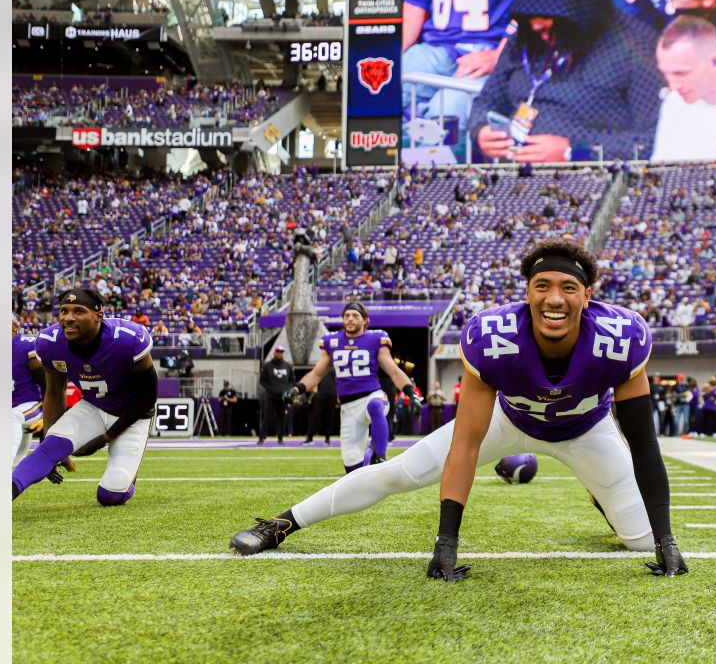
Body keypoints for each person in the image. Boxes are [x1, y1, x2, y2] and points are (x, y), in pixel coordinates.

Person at [229, 239, 687, 580]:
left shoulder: (619, 338)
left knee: (642, 541)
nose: (554, 298)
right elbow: (466, 445)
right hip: (507, 421)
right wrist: (446, 542)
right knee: (399, 472)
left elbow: (645, 444)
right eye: (542, 285)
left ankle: (602, 497)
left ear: (587, 297)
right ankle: (284, 522)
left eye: (569, 287)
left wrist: (668, 539)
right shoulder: (495, 337)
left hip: (586, 430)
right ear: (527, 293)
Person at [468, 0, 665, 162]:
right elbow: (487, 101)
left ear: (577, 16)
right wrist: (481, 130)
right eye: (530, 21)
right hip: (515, 173)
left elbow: (651, 138)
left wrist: (575, 151)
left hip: (590, 181)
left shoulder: (634, 46)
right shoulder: (525, 38)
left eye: (547, 22)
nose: (537, 27)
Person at [11, 288, 156, 506]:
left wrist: (105, 438)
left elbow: (147, 397)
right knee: (49, 449)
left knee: (110, 496)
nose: (68, 318)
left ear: (99, 315)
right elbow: (54, 391)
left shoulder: (127, 339)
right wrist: (49, 441)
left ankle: (127, 478)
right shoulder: (50, 343)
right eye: (63, 311)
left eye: (78, 311)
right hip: (94, 407)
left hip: (133, 415)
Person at [289, 302, 419, 472]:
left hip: (372, 395)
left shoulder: (375, 339)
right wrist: (296, 389)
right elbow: (316, 374)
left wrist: (411, 393)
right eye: (347, 316)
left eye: (355, 315)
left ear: (365, 320)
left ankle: (380, 456)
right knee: (353, 470)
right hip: (348, 407)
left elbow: (394, 371)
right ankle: (370, 453)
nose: (350, 319)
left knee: (375, 406)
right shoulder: (332, 341)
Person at [401, 0, 521, 124]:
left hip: (487, 50)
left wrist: (499, 55)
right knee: (383, 89)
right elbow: (414, 8)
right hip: (434, 48)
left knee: (447, 115)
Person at [650, 16, 716, 162]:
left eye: (681, 73)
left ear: (715, 62)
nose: (673, 85)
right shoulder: (674, 103)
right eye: (666, 74)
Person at [11, 315, 46, 468]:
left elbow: (48, 383)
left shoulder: (27, 347)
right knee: (18, 463)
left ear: (15, 327)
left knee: (12, 417)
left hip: (30, 404)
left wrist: (47, 414)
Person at [259, 345, 293, 445]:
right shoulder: (267, 366)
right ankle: (262, 437)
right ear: (274, 353)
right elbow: (262, 380)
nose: (280, 353)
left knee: (281, 418)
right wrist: (270, 389)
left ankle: (280, 438)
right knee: (267, 417)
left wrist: (287, 390)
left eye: (281, 352)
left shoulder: (287, 366)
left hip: (282, 397)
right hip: (271, 397)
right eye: (278, 351)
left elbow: (292, 380)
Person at [303, 364, 336, 446]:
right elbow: (315, 376)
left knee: (329, 417)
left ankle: (327, 439)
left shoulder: (337, 365)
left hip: (332, 393)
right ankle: (310, 437)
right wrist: (314, 387)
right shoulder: (321, 365)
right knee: (315, 415)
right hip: (320, 392)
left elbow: (339, 381)